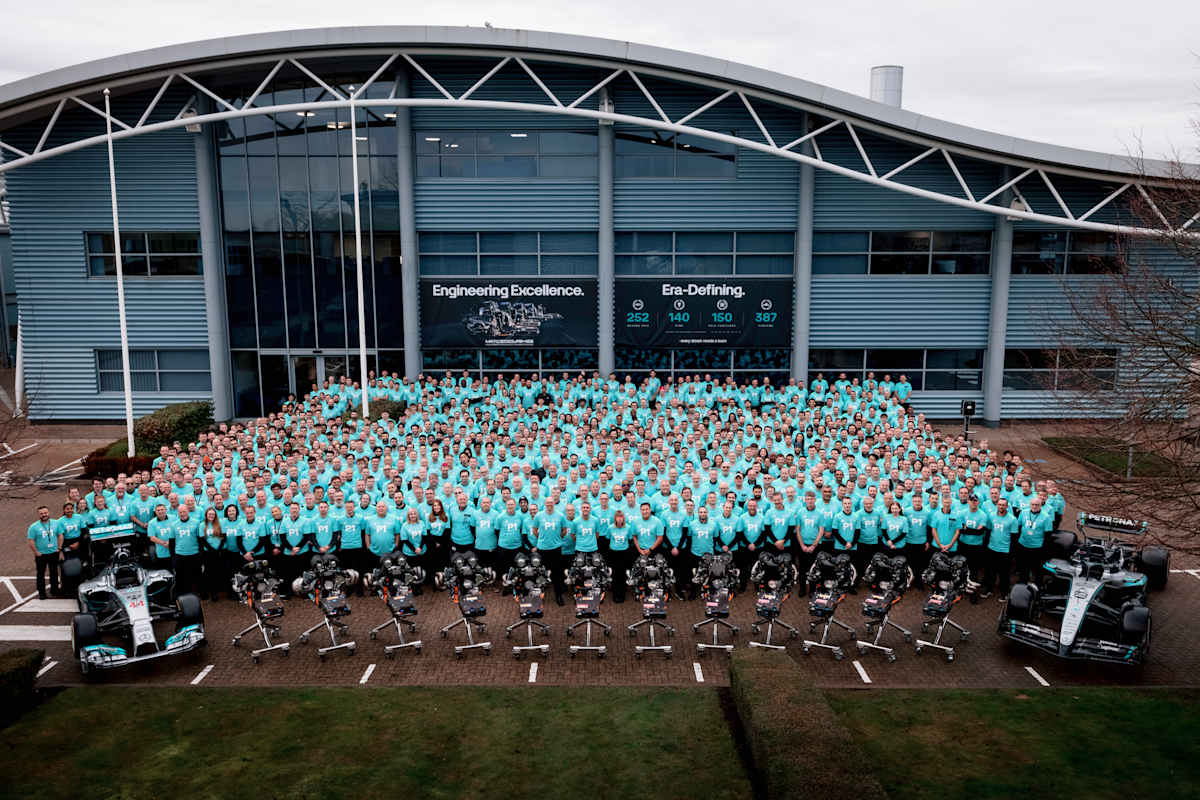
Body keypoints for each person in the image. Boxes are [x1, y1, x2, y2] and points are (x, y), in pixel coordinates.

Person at [982, 498, 1018, 600]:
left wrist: (1011, 553)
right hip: (992, 548)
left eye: (1003, 505)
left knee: (1004, 573)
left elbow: (1014, 538)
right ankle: (989, 589)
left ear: (1007, 506)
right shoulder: (991, 515)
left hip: (1005, 550)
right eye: (999, 504)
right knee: (990, 571)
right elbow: (988, 531)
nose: (1001, 507)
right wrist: (986, 546)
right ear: (997, 505)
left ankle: (1004, 592)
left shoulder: (1012, 519)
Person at [28, 506, 61, 599]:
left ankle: (54, 590)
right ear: (39, 515)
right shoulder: (33, 527)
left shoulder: (56, 523)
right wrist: (36, 552)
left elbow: (60, 535)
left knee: (54, 572)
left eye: (45, 513)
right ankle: (42, 593)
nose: (44, 515)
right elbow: (31, 540)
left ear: (48, 513)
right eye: (41, 513)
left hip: (53, 553)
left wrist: (59, 547)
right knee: (40, 574)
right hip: (41, 554)